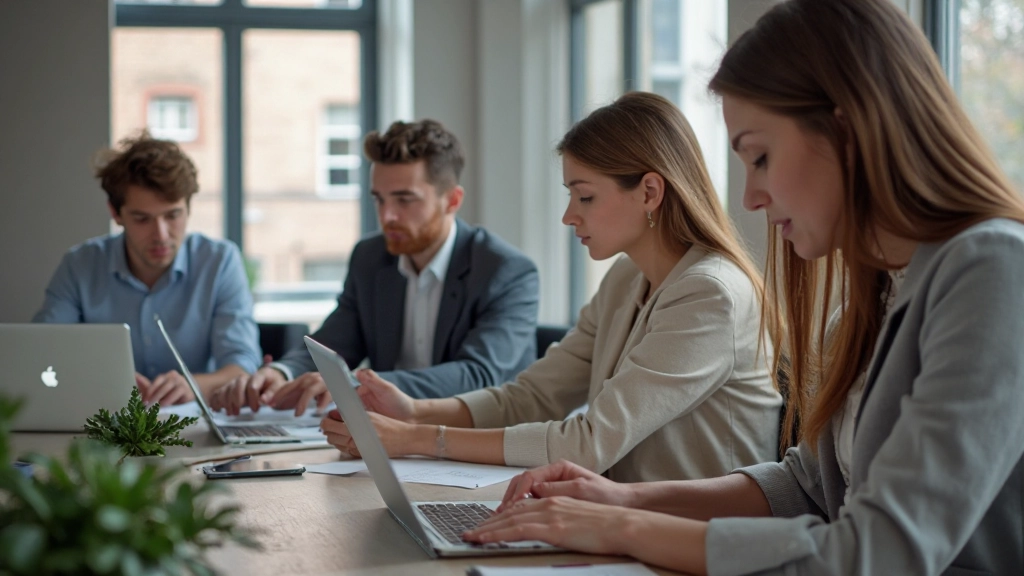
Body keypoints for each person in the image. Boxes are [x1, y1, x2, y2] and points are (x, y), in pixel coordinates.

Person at [462, 1, 1024, 574]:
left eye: (759, 157)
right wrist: (621, 499)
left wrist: (624, 528)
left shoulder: (994, 270)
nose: (750, 197)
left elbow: (881, 552)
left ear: (847, 130)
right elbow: (806, 486)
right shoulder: (876, 291)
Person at [320, 92, 782, 483]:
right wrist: (416, 412)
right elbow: (531, 397)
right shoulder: (627, 278)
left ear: (649, 193)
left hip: (694, 547)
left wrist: (417, 439)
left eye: (585, 196)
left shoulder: (710, 294)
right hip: (623, 526)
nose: (569, 216)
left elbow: (587, 444)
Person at [209, 119, 539, 415]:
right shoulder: (371, 257)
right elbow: (334, 345)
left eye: (404, 200)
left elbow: (478, 375)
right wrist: (282, 373)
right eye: (379, 199)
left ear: (451, 200)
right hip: (390, 438)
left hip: (478, 442)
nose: (387, 216)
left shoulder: (505, 271)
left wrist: (354, 385)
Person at [33, 132, 261, 406]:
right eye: (142, 219)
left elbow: (242, 365)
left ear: (188, 208)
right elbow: (43, 352)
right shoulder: (80, 265)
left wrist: (193, 384)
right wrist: (100, 379)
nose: (161, 234)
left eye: (173, 215)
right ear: (116, 213)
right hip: (104, 422)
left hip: (194, 425)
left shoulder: (220, 261)